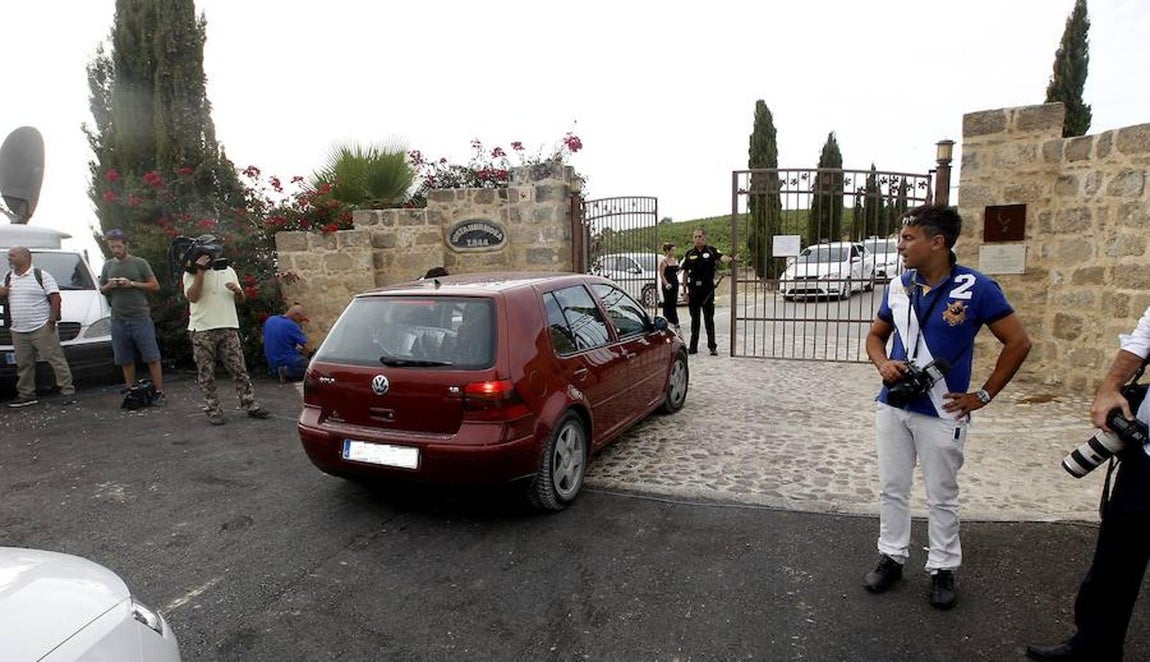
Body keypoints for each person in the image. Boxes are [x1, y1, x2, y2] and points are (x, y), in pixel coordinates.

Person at [862, 205, 1030, 610]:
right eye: (901, 238)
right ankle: (892, 556)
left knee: (942, 494)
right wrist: (883, 363)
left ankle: (942, 568)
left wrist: (983, 395)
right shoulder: (900, 286)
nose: (901, 245)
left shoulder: (976, 287)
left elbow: (1018, 342)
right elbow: (875, 336)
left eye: (909, 238)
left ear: (937, 242)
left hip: (943, 409)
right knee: (892, 487)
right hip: (895, 403)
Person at [1026, 305, 1150, 661]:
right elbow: (1144, 335)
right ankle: (1094, 646)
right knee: (1116, 558)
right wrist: (1111, 386)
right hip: (1145, 455)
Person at [182, 240, 270, 425]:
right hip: (202, 328)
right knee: (207, 373)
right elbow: (193, 297)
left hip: (228, 325)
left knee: (239, 368)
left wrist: (238, 292)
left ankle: (250, 404)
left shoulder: (228, 270)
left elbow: (241, 300)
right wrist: (200, 272)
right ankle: (214, 410)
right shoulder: (190, 273)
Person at [0, 246, 77, 407]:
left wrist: (51, 320)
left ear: (25, 257)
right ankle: (26, 394)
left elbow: (55, 297)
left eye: (12, 256)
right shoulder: (8, 277)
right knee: (24, 364)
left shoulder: (41, 276)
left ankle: (67, 391)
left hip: (41, 326)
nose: (9, 259)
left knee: (55, 360)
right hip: (18, 329)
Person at [98, 228, 166, 405]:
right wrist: (110, 285)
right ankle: (131, 390)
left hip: (140, 317)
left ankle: (159, 392)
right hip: (118, 318)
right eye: (113, 247)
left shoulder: (139, 263)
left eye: (118, 247)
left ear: (125, 245)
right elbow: (102, 289)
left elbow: (155, 286)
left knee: (152, 356)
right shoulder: (108, 265)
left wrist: (132, 284)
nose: (116, 250)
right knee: (124, 358)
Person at [680, 228, 734, 356]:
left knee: (709, 319)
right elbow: (685, 273)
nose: (698, 239)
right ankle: (693, 347)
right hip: (693, 290)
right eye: (695, 237)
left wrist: (732, 259)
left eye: (700, 236)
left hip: (707, 290)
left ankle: (712, 346)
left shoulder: (711, 250)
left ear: (704, 238)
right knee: (695, 320)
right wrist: (685, 291)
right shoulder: (689, 253)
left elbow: (722, 258)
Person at [263, 303, 311, 382]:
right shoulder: (292, 325)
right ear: (296, 315)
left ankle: (282, 372)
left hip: (272, 362)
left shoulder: (270, 320)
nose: (300, 322)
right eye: (301, 320)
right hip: (285, 361)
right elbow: (306, 347)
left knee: (298, 352)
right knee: (311, 367)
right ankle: (286, 372)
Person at [657, 242, 680, 329]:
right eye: (672, 250)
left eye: (674, 250)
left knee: (674, 302)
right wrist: (666, 284)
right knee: (668, 303)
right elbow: (661, 274)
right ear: (667, 251)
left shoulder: (674, 260)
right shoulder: (664, 262)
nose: (673, 252)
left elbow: (677, 271)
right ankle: (667, 320)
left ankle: (675, 320)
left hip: (675, 283)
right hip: (668, 284)